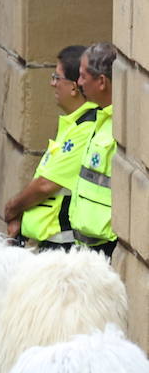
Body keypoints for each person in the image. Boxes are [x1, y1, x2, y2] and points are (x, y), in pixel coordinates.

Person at [2, 45, 98, 248]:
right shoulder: (74, 123)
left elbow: (46, 185)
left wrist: (13, 208)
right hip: (53, 244)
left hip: (65, 247)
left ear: (73, 87)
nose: (52, 83)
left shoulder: (85, 128)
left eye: (56, 77)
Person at [68, 42, 118, 254]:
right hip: (86, 245)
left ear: (102, 82)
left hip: (107, 247)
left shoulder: (119, 125)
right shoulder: (100, 117)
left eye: (83, 76)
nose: (78, 83)